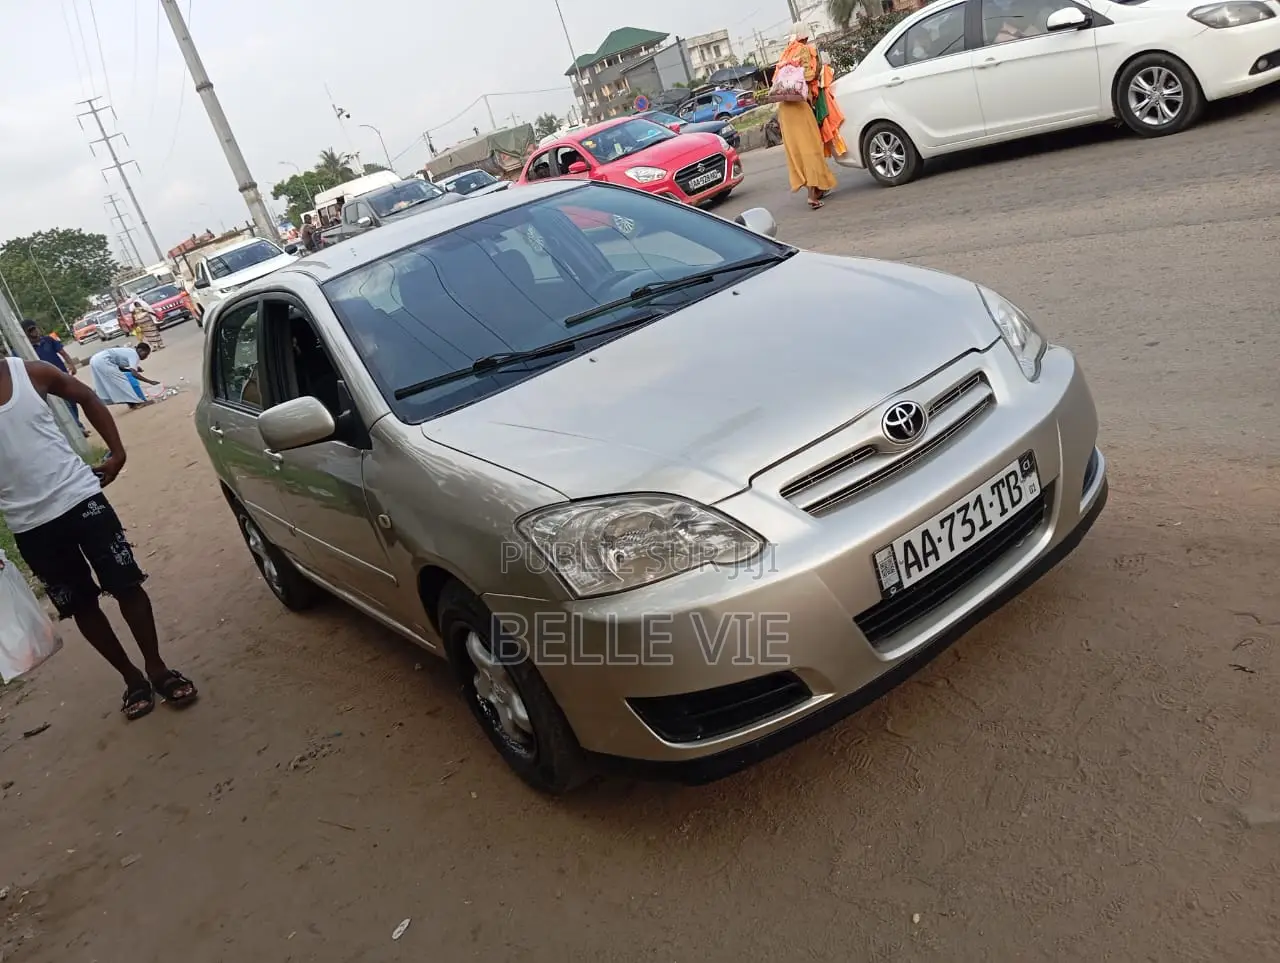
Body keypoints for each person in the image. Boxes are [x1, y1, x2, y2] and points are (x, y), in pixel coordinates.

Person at [0, 354, 197, 719]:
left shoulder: (31, 373)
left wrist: (117, 453)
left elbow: (87, 397)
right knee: (80, 605)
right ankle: (132, 678)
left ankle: (156, 668)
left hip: (80, 498)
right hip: (29, 524)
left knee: (126, 584)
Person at [775, 23, 840, 210]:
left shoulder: (785, 54)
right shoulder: (805, 50)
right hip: (799, 106)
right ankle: (812, 196)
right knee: (811, 147)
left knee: (798, 150)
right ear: (805, 36)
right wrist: (822, 69)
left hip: (784, 108)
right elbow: (810, 75)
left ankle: (817, 189)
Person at [22, 320, 89, 437]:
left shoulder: (48, 340)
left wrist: (71, 365)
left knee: (72, 402)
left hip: (61, 376)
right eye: (30, 331)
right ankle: (78, 428)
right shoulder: (26, 350)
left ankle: (77, 425)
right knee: (63, 405)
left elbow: (63, 353)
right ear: (26, 334)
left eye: (35, 328)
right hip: (44, 384)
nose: (34, 332)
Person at [89, 343, 157, 410]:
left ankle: (132, 403)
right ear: (139, 350)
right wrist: (150, 382)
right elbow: (134, 374)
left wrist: (132, 370)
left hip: (95, 360)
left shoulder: (130, 352)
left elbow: (120, 369)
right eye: (146, 354)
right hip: (102, 360)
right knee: (123, 382)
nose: (146, 357)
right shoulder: (135, 355)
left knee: (113, 383)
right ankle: (137, 403)